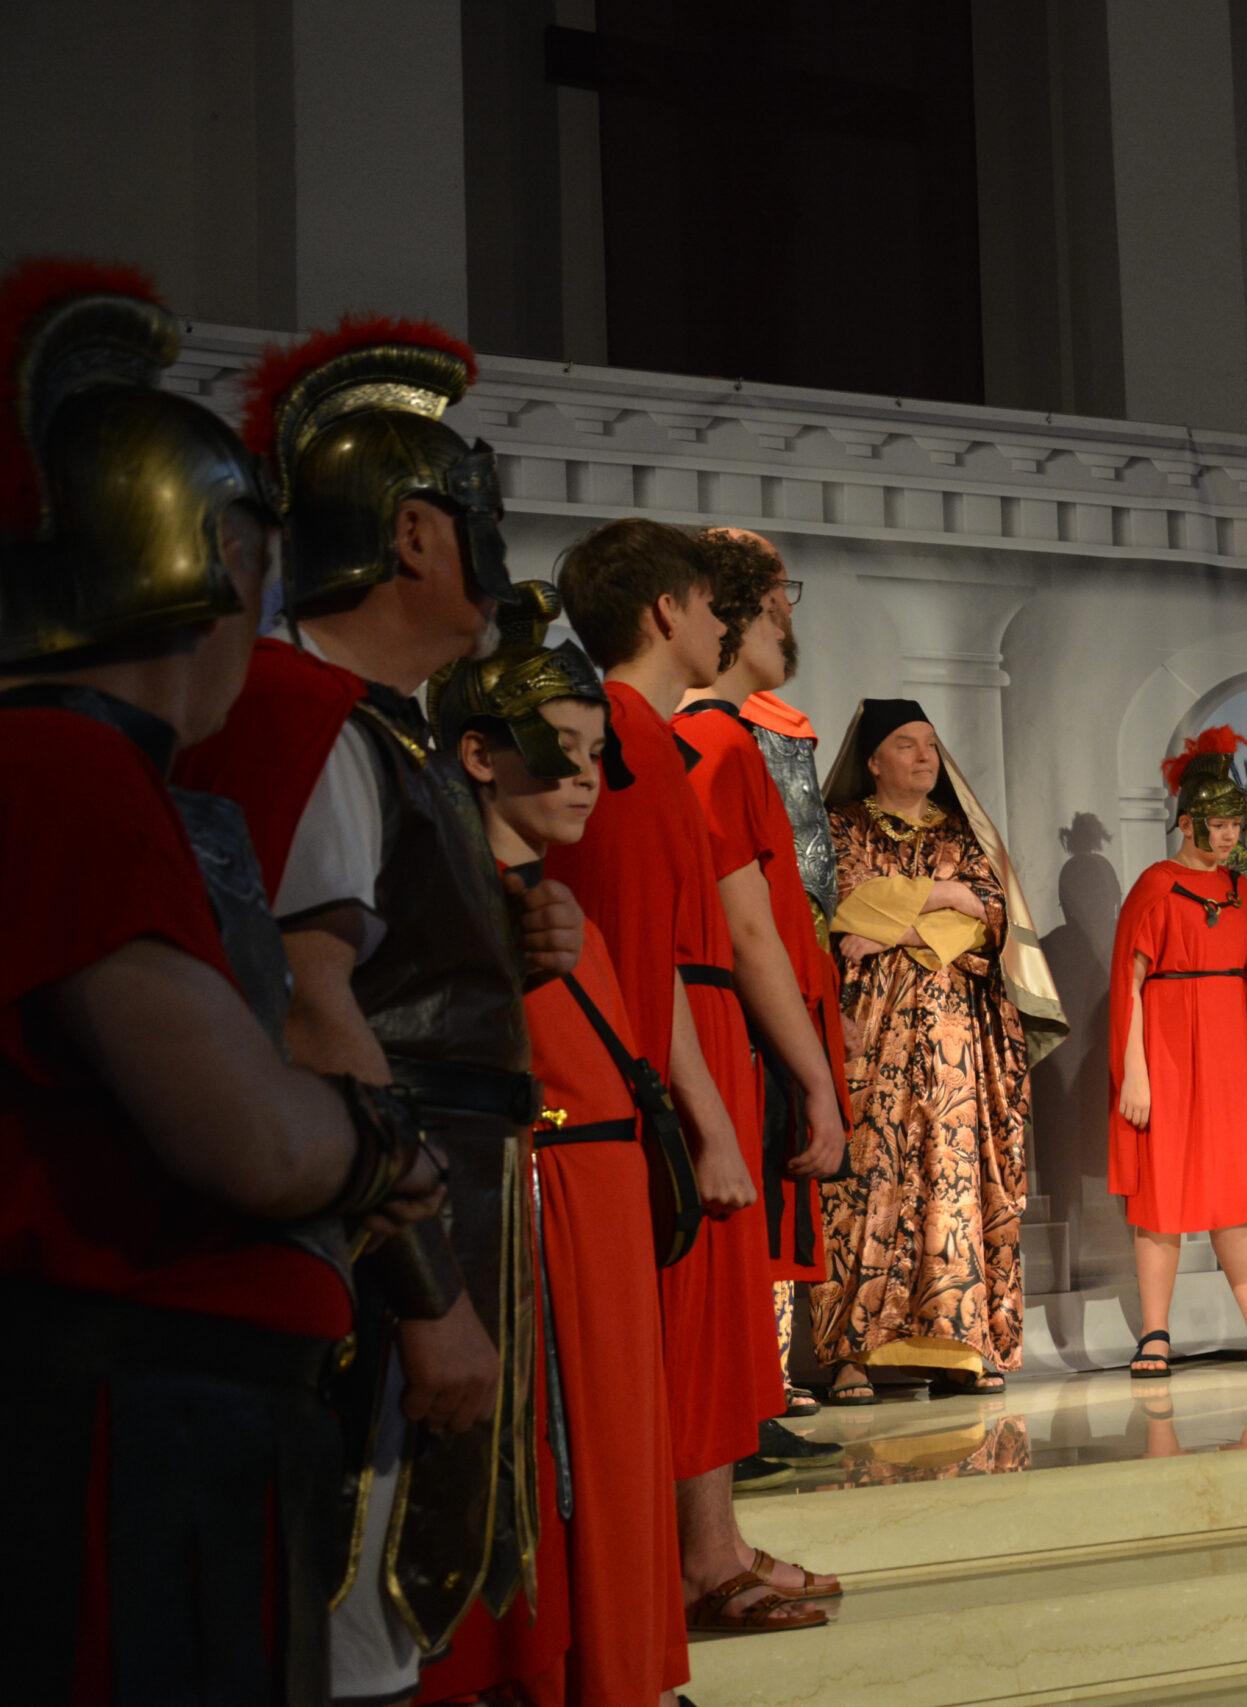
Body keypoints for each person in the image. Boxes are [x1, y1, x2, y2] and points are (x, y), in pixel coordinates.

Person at [0, 258, 439, 1707]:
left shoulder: (99, 771)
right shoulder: (59, 769)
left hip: (162, 1411)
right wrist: (379, 1145)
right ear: (205, 560)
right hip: (132, 1427)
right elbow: (243, 1135)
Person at [175, 314, 581, 1701]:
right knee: (347, 1628)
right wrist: (427, 1295)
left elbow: (391, 989)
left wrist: (503, 955)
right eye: (477, 517)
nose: (494, 549)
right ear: (414, 533)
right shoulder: (317, 716)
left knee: (378, 1633)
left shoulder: (382, 727)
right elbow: (311, 1009)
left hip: (432, 1195)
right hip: (378, 1243)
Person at [549, 518, 836, 1641]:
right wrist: (707, 1118)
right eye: (715, 606)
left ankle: (708, 1545)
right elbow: (643, 947)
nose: (727, 624)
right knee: (686, 1311)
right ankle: (691, 1561)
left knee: (710, 1313)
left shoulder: (650, 742)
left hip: (681, 1044)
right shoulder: (628, 736)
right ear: (666, 610)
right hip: (661, 1058)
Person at [416, 587, 692, 1705]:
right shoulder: (457, 911)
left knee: (621, 1461)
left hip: (604, 1208)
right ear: (480, 756)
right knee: (564, 1465)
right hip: (542, 1215)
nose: (584, 776)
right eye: (557, 750)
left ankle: (625, 1680)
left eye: (592, 752)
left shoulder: (560, 908)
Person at [673, 530, 850, 1466]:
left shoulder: (730, 740)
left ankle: (746, 1403)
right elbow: (744, 926)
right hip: (736, 1022)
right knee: (739, 1221)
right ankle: (730, 1418)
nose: (787, 623)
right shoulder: (716, 742)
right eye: (774, 605)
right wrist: (812, 1074)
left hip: (753, 1012)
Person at [813, 699, 1037, 1399]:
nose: (924, 757)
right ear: (873, 760)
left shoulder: (964, 833)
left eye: (931, 745)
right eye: (907, 744)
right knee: (867, 1174)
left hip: (953, 1037)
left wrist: (902, 930)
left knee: (952, 1173)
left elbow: (988, 918)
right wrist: (945, 894)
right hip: (870, 1028)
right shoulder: (842, 826)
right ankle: (853, 1351)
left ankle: (957, 1345)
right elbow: (849, 901)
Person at [1111, 727, 1247, 1376]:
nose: (1231, 834)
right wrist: (1134, 1073)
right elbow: (1129, 983)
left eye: (1237, 823)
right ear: (1188, 823)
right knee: (1162, 1195)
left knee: (1234, 1193)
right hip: (1168, 1053)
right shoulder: (1157, 886)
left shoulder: (1239, 891)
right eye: (1219, 823)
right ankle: (1155, 1333)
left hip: (1229, 1054)